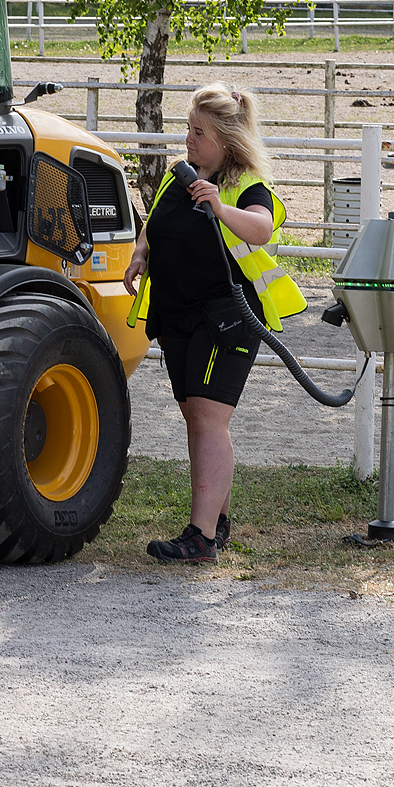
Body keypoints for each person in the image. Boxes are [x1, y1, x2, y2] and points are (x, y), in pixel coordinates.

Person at [123, 84, 308, 563]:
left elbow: (262, 228)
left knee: (208, 416)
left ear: (225, 139)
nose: (188, 139)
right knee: (197, 417)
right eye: (188, 128)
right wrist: (141, 252)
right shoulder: (178, 176)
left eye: (199, 132)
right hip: (177, 313)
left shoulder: (246, 182)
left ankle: (201, 537)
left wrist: (220, 208)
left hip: (227, 316)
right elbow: (155, 221)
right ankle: (217, 523)